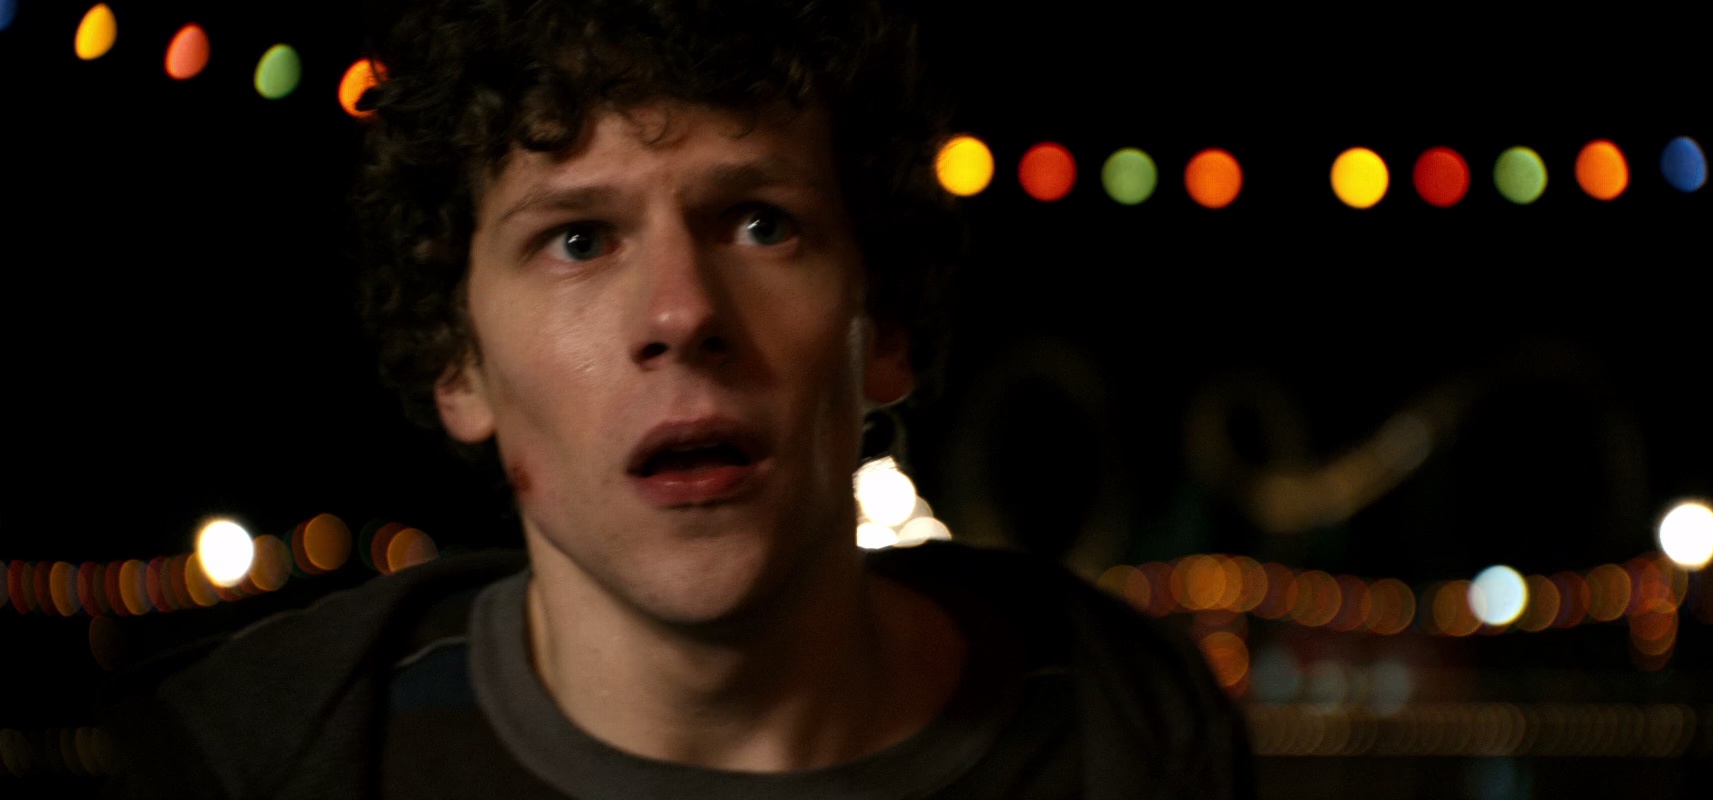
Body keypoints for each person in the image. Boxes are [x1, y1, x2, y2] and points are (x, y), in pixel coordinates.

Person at [101, 1, 1252, 797]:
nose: (682, 311)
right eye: (578, 238)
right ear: (459, 364)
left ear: (884, 329)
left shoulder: (1126, 729)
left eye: (760, 223)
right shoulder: (254, 756)